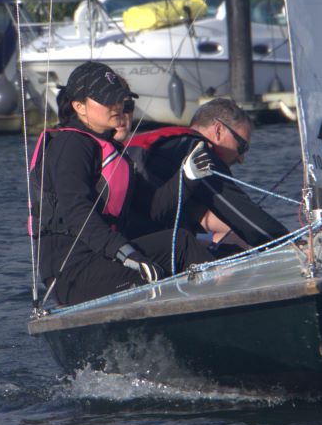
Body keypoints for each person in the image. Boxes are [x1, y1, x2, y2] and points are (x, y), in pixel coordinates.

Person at [29, 61, 204, 307]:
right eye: (106, 99)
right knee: (180, 247)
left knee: (181, 241)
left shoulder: (108, 148)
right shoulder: (72, 145)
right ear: (79, 106)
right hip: (74, 274)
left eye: (119, 99)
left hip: (102, 258)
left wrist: (188, 176)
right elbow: (77, 213)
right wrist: (126, 253)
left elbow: (154, 208)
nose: (117, 106)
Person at [120, 97, 289, 253]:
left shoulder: (169, 144)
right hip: (142, 248)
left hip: (126, 242)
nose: (241, 159)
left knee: (227, 245)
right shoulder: (196, 151)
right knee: (234, 251)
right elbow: (236, 208)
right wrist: (288, 243)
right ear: (218, 130)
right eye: (242, 147)